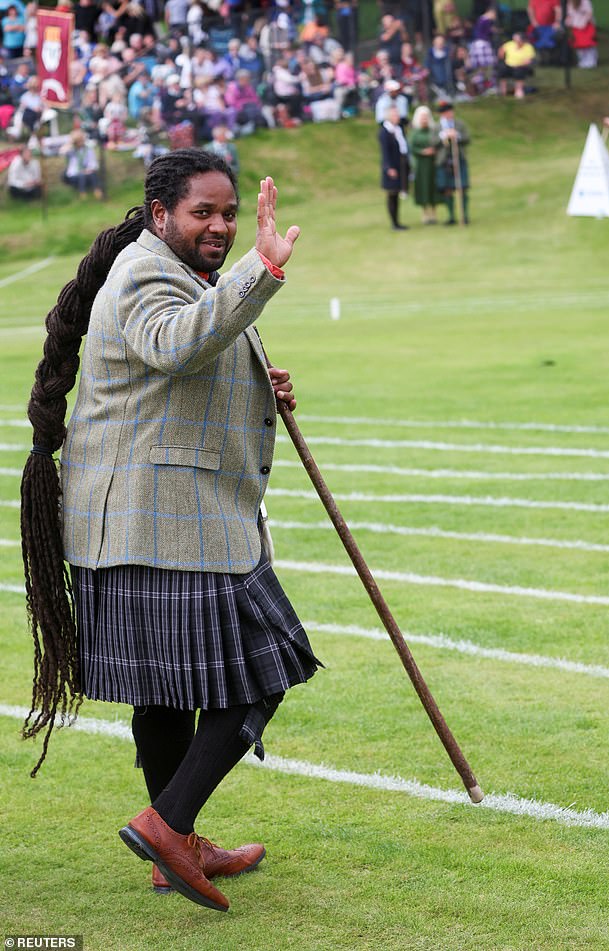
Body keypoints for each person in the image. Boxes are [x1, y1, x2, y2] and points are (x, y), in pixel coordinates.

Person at [20, 150, 321, 912]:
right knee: (269, 663)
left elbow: (187, 358)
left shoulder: (176, 272)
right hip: (158, 520)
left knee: (164, 695)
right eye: (204, 213)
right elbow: (175, 344)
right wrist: (264, 268)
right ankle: (167, 824)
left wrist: (259, 377)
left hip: (151, 519)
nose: (221, 226)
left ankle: (174, 847)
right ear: (162, 215)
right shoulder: (143, 271)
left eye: (228, 213)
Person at [435, 100, 470, 224]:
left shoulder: (459, 124)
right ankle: (451, 216)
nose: (449, 114)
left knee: (462, 187)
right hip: (444, 161)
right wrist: (444, 136)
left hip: (458, 158)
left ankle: (464, 215)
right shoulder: (437, 127)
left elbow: (467, 138)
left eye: (450, 111)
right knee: (447, 188)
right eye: (445, 112)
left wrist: (457, 136)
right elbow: (432, 142)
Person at [379, 102, 409, 230]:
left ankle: (397, 221)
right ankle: (394, 223)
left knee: (397, 193)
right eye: (394, 114)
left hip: (401, 163)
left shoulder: (399, 128)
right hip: (392, 166)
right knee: (392, 194)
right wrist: (388, 168)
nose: (397, 116)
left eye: (397, 113)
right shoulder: (385, 132)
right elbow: (385, 152)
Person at [408, 105, 437, 224]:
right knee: (423, 187)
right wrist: (422, 151)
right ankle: (425, 213)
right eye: (422, 117)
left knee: (433, 186)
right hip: (421, 164)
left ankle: (434, 212)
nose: (424, 119)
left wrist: (434, 150)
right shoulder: (415, 132)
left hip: (433, 163)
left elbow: (438, 142)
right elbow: (412, 147)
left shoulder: (433, 131)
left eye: (426, 117)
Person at [60, 128, 103, 197]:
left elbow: (93, 164)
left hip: (87, 173)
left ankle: (97, 191)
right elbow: (62, 152)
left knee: (92, 174)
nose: (80, 142)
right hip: (74, 175)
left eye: (81, 140)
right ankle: (82, 194)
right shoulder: (71, 150)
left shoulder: (88, 149)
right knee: (81, 175)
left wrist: (88, 170)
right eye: (78, 141)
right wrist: (71, 142)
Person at [497, 31, 536, 99]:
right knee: (502, 69)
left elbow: (528, 60)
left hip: (520, 66)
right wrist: (502, 57)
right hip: (508, 64)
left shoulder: (528, 47)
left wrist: (519, 64)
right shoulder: (510, 44)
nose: (516, 42)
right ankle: (503, 90)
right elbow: (501, 50)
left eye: (517, 40)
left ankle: (518, 90)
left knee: (519, 71)